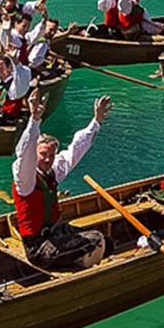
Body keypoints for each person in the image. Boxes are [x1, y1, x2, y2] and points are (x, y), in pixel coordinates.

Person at [12, 94, 111, 270]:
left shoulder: (52, 171)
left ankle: (81, 260)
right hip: (38, 247)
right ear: (36, 154)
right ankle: (81, 267)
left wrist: (97, 121)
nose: (48, 159)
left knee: (107, 243)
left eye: (51, 155)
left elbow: (77, 148)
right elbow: (25, 152)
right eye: (43, 154)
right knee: (95, 240)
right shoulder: (25, 179)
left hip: (56, 233)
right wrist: (34, 120)